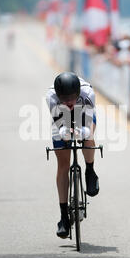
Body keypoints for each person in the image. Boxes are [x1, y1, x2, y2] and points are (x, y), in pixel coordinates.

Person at [46, 72, 99, 239]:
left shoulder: (88, 94)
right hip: (61, 121)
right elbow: (61, 127)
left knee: (88, 136)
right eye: (64, 98)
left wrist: (80, 132)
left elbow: (88, 127)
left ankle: (90, 170)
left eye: (72, 98)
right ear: (58, 95)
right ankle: (63, 217)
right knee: (63, 164)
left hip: (84, 116)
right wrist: (66, 132)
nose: (68, 102)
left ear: (78, 93)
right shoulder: (52, 97)